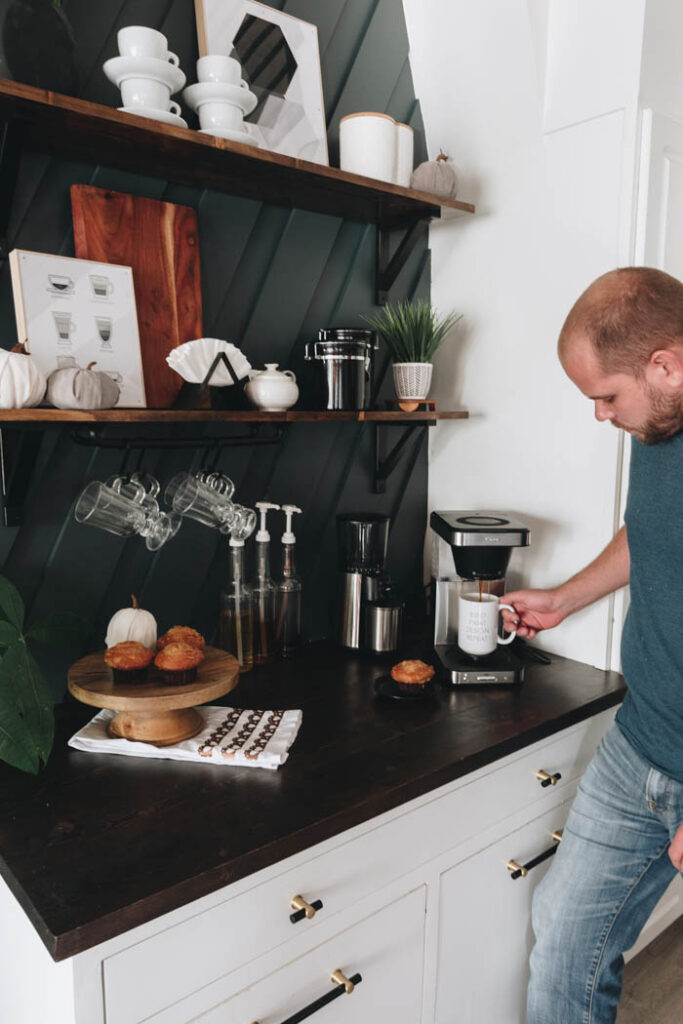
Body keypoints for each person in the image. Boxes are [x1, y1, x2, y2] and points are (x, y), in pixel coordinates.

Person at [499, 266, 683, 1024]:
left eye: (605, 396)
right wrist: (565, 598)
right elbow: (653, 528)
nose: (600, 416)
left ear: (664, 364)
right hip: (641, 742)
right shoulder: (660, 419)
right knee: (565, 942)